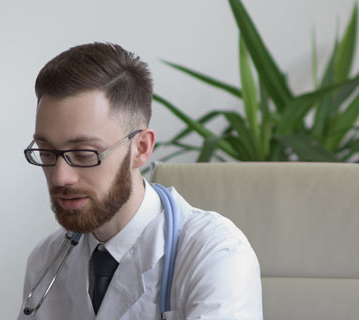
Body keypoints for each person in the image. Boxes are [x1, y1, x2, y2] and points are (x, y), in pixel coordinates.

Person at [18, 42, 262, 320]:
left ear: (141, 148)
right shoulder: (46, 260)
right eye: (47, 152)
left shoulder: (215, 255)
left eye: (84, 154)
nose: (60, 176)